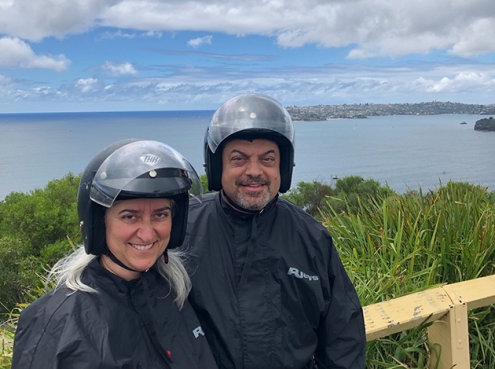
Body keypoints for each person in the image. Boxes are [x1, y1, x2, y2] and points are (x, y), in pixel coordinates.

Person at [183, 94, 366, 368]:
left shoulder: (312, 238)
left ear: (283, 167)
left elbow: (344, 338)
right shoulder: (181, 231)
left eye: (268, 159)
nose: (254, 171)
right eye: (239, 158)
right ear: (218, 166)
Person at [12, 139, 218, 369]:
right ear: (99, 223)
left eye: (160, 215)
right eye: (130, 216)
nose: (148, 234)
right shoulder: (60, 321)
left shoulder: (173, 291)